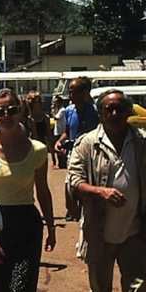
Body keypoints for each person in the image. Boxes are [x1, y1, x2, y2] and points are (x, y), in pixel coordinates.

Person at [68, 90, 146, 292]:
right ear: (100, 113)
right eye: (108, 109)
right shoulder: (87, 143)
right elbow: (74, 181)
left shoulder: (144, 142)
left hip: (135, 233)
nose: (114, 113)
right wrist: (101, 192)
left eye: (119, 108)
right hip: (99, 233)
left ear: (128, 112)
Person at [0, 88, 56, 292]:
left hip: (25, 227)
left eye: (12, 110)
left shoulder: (37, 150)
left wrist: (51, 227)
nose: (6, 115)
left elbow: (42, 190)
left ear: (21, 110)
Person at [56, 77, 99, 220]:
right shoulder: (69, 111)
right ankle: (73, 210)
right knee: (70, 183)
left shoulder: (95, 112)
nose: (70, 96)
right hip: (73, 154)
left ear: (84, 93)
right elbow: (67, 132)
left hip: (91, 155)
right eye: (70, 92)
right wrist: (59, 143)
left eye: (73, 92)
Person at [51, 96, 66, 168]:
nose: (56, 103)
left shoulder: (62, 110)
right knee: (57, 148)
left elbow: (56, 118)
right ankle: (60, 163)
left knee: (60, 147)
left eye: (57, 102)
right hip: (57, 131)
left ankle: (62, 163)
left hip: (61, 131)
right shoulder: (58, 110)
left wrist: (53, 112)